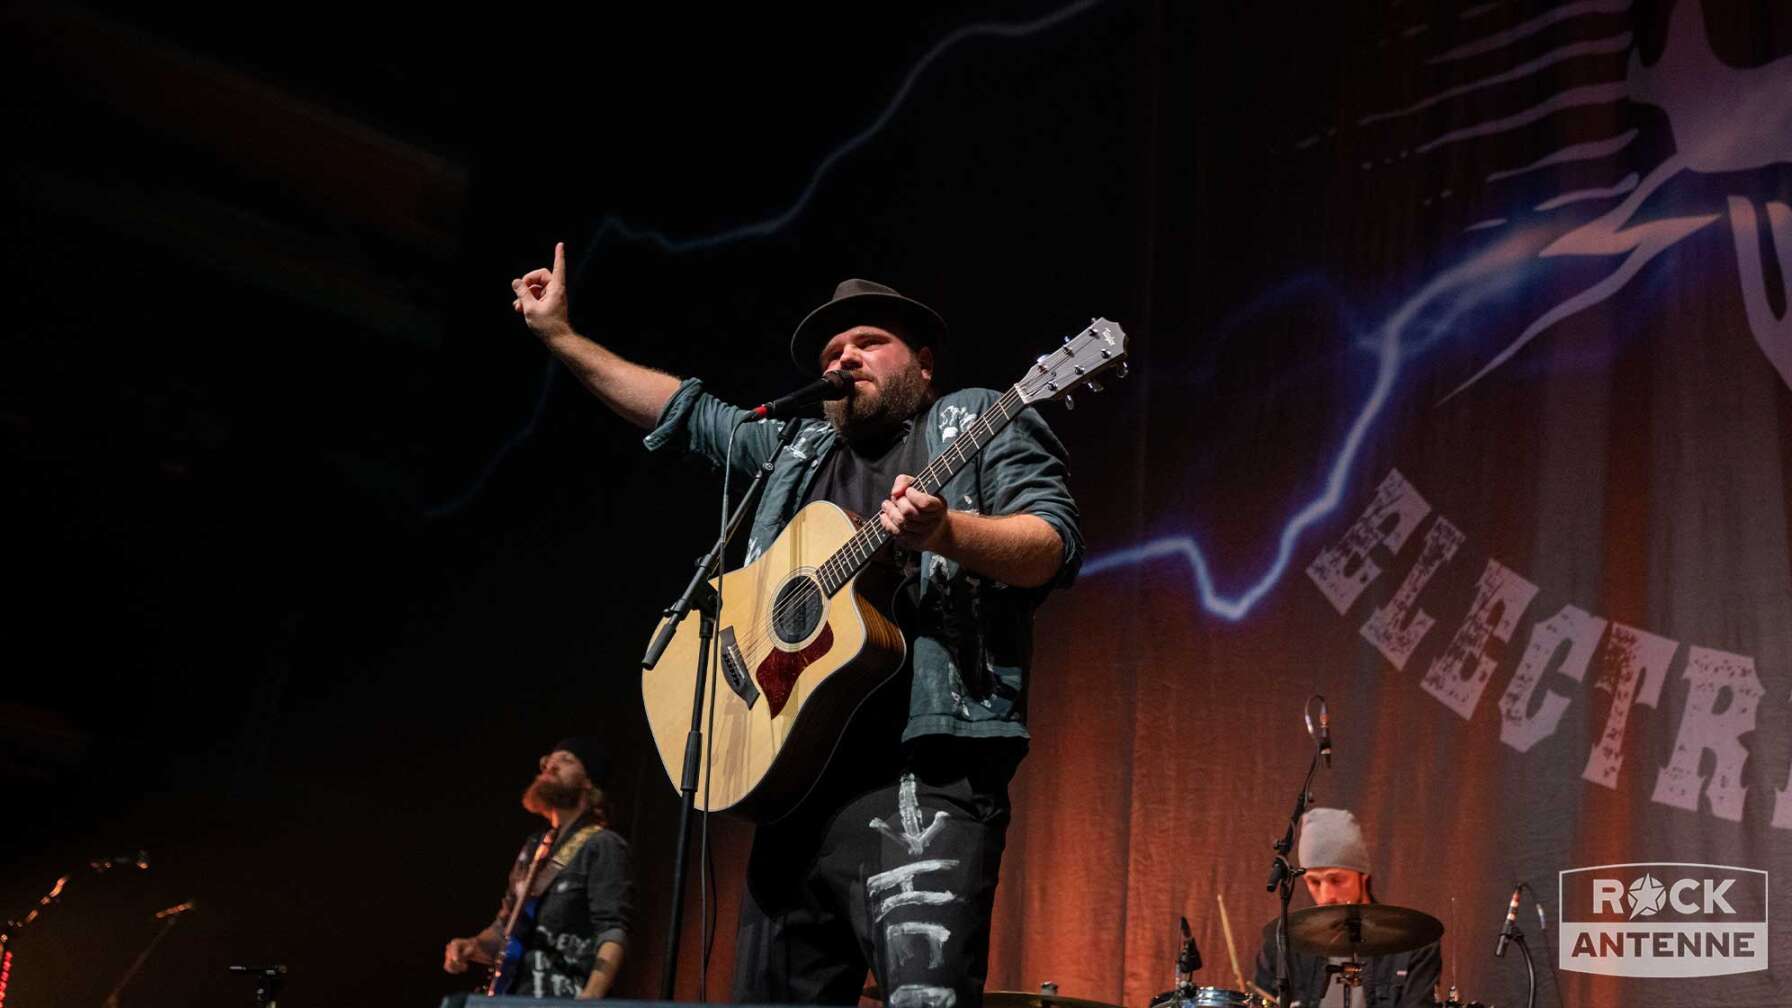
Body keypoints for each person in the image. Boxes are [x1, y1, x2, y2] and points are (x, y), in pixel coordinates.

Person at [510, 246, 1083, 1007]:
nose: (845, 355)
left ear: (922, 360)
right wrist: (561, 338)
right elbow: (682, 411)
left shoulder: (973, 417)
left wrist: (947, 533)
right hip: (794, 787)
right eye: (831, 351)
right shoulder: (797, 449)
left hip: (921, 777)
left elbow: (1051, 544)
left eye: (867, 341)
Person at [444, 737, 636, 999]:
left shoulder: (602, 845)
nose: (551, 766)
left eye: (566, 760)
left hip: (564, 999)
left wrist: (590, 1000)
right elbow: (506, 931)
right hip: (513, 998)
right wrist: (473, 945)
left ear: (588, 782)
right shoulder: (534, 848)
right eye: (549, 761)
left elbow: (613, 931)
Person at [1253, 808, 1442, 1008]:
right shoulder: (1283, 946)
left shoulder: (1413, 944)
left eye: (1337, 880)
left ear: (1363, 875)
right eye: (1314, 882)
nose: (1327, 896)